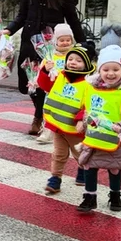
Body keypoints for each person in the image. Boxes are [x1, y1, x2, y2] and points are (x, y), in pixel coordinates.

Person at [1, 0, 84, 137]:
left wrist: (83, 42)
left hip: (49, 44)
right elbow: (22, 14)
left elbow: (72, 18)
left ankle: (40, 116)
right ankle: (39, 111)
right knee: (27, 82)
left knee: (45, 80)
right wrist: (10, 29)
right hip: (29, 40)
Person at [75, 45, 121, 214]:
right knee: (89, 167)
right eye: (106, 69)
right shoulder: (92, 88)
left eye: (115, 69)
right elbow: (89, 109)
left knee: (114, 168)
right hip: (94, 137)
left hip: (116, 138)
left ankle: (115, 195)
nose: (110, 73)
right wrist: (83, 123)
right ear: (100, 70)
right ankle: (90, 197)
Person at [36, 45, 95, 194]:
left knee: (79, 155)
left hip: (75, 129)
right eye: (70, 59)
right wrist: (45, 71)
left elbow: (89, 105)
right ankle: (55, 178)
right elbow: (46, 86)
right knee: (58, 154)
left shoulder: (88, 83)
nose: (73, 62)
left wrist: (81, 119)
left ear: (87, 64)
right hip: (58, 126)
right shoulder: (60, 75)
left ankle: (82, 170)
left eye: (78, 60)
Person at [36, 23, 78, 145]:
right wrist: (46, 69)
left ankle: (69, 130)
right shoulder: (50, 55)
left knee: (68, 111)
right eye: (62, 40)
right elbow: (41, 69)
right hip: (52, 90)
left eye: (68, 40)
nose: (65, 42)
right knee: (49, 110)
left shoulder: (75, 54)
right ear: (56, 41)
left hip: (70, 90)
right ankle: (48, 131)